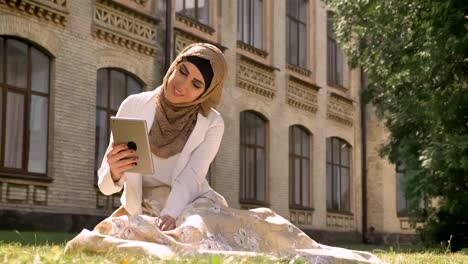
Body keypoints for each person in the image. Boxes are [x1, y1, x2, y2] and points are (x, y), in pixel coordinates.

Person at [66, 43, 383, 263]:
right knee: (121, 234)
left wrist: (170, 214)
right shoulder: (134, 105)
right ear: (174, 66)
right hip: (141, 206)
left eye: (196, 83)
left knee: (214, 231)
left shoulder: (211, 123)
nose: (182, 85)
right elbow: (107, 185)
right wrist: (115, 171)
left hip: (189, 202)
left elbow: (191, 177)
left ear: (206, 92)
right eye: (182, 70)